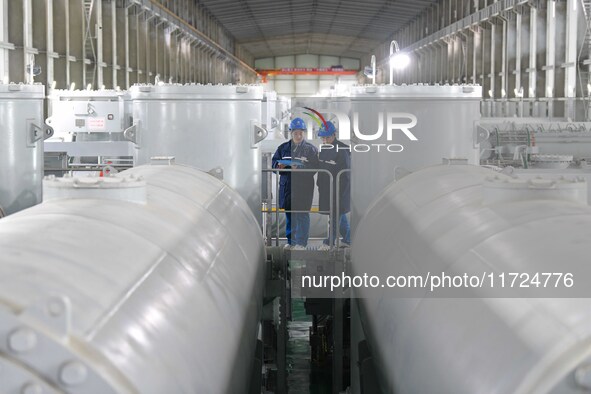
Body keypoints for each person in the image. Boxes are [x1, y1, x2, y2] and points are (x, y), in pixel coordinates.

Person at [272, 117, 319, 250]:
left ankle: (301, 243)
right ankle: (291, 242)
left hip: (303, 187)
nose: (298, 136)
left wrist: (300, 168)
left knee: (302, 214)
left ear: (304, 133)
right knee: (290, 214)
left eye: (300, 133)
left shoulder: (310, 150)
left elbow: (315, 167)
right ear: (291, 133)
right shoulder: (283, 148)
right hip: (287, 187)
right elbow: (273, 163)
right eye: (295, 133)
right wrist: (278, 166)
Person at [316, 121, 351, 250]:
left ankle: (330, 242)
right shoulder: (324, 148)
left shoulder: (342, 150)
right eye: (323, 137)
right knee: (336, 215)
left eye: (327, 137)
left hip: (339, 189)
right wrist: (319, 184)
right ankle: (348, 239)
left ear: (334, 134)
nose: (325, 140)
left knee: (336, 215)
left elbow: (345, 174)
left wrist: (341, 192)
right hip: (326, 189)